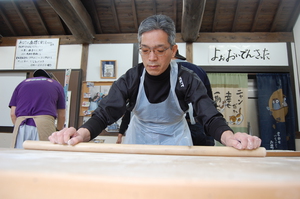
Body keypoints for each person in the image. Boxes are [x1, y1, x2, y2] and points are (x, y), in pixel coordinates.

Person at [49, 14, 261, 150]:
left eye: (160, 50)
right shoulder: (131, 78)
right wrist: (81, 134)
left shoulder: (187, 79)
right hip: (138, 139)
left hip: (177, 140)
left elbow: (208, 114)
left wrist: (229, 137)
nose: (152, 58)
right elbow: (106, 113)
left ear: (173, 50)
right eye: (145, 50)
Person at [9, 69, 66, 148]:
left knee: (19, 156)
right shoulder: (56, 85)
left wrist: (18, 126)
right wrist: (58, 130)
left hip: (21, 125)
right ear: (49, 77)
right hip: (44, 125)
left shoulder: (21, 84)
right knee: (42, 156)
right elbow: (62, 115)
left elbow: (13, 114)